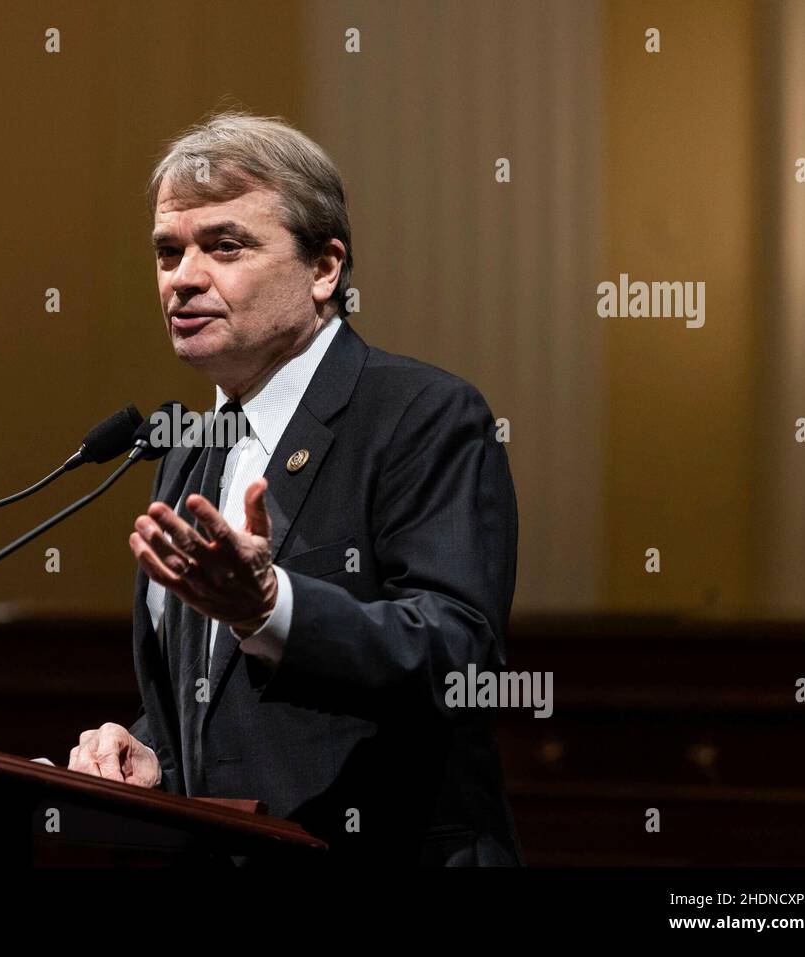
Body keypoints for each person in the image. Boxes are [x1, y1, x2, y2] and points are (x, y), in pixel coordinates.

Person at [68, 111, 523, 865]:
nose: (183, 277)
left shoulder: (420, 415)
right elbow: (228, 706)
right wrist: (152, 753)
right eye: (167, 251)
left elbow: (460, 656)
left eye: (224, 245)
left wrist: (273, 608)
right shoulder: (189, 450)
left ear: (324, 269)